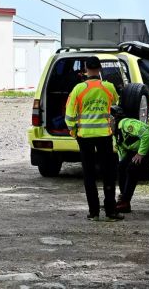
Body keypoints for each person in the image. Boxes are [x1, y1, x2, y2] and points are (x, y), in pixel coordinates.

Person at [65, 56, 122, 221]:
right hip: (104, 136)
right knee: (108, 173)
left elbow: (69, 116)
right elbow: (116, 105)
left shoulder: (78, 89)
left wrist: (74, 132)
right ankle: (111, 211)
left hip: (84, 137)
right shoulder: (109, 87)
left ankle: (94, 212)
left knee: (89, 174)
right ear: (100, 68)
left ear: (85, 69)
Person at [110, 106, 149, 213]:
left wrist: (141, 154)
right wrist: (122, 163)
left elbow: (145, 134)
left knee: (132, 168)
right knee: (121, 167)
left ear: (113, 119)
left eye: (108, 121)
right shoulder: (116, 134)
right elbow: (122, 152)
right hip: (140, 147)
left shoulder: (126, 124)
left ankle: (125, 201)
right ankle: (123, 199)